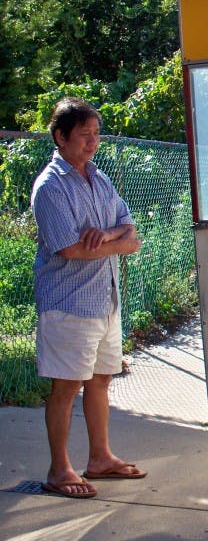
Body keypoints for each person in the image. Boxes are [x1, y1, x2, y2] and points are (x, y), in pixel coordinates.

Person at [31, 97, 146, 499]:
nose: (92, 142)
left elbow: (129, 226)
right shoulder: (50, 186)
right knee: (65, 388)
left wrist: (108, 235)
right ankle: (58, 470)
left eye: (96, 134)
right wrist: (119, 242)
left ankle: (100, 458)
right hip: (68, 305)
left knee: (100, 381)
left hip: (105, 300)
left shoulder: (99, 178)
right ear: (61, 137)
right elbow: (69, 249)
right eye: (84, 135)